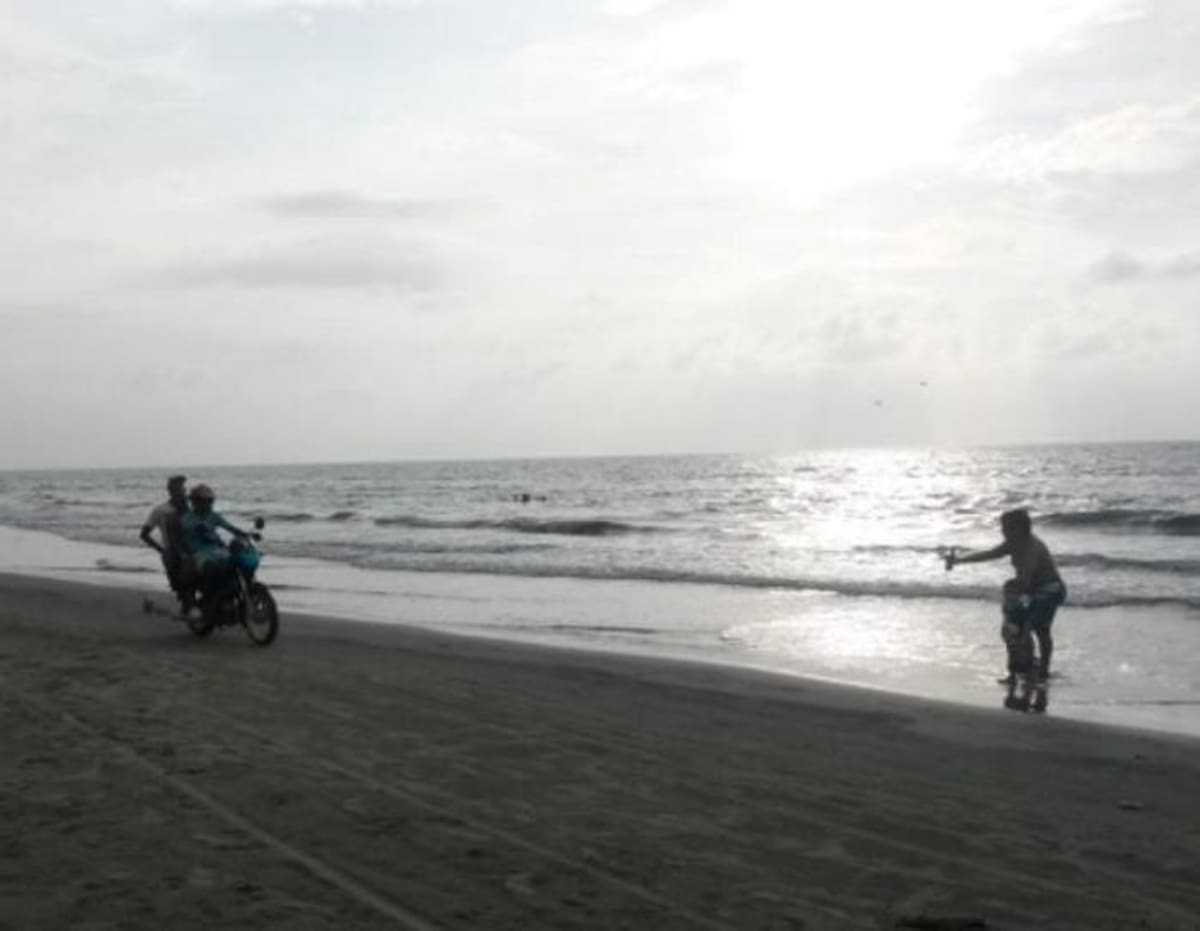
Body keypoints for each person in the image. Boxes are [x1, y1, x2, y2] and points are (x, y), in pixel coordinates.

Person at [944, 508, 1067, 691]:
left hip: (1050, 589)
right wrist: (959, 560)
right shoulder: (1013, 543)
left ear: (1020, 528)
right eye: (1003, 527)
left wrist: (1013, 590)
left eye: (1006, 527)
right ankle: (1021, 671)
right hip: (1032, 590)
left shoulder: (1031, 547)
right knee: (1019, 628)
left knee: (1032, 627)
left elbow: (1025, 579)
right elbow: (989, 554)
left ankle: (1038, 671)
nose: (1003, 531)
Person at [180, 484, 250, 600]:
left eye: (209, 501)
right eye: (204, 501)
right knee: (210, 568)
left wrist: (245, 534)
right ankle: (207, 598)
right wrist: (186, 556)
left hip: (218, 550)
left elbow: (230, 527)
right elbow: (180, 539)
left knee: (238, 563)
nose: (207, 504)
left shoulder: (214, 516)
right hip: (199, 553)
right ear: (194, 502)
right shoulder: (186, 518)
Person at [140, 474, 193, 613]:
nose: (183, 492)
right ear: (171, 491)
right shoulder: (161, 510)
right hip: (173, 553)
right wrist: (162, 550)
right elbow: (144, 534)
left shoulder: (192, 509)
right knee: (182, 583)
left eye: (183, 489)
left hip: (193, 549)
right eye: (179, 489)